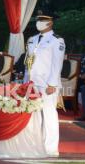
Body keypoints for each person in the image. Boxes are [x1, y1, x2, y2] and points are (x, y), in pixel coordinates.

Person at [24, 11, 65, 156]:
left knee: (49, 115)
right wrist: (25, 81)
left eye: (42, 20)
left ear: (50, 23)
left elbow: (57, 63)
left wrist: (52, 84)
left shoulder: (56, 40)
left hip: (47, 83)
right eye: (38, 20)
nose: (39, 23)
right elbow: (28, 62)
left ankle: (51, 148)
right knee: (33, 114)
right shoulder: (32, 39)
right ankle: (35, 144)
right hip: (32, 82)